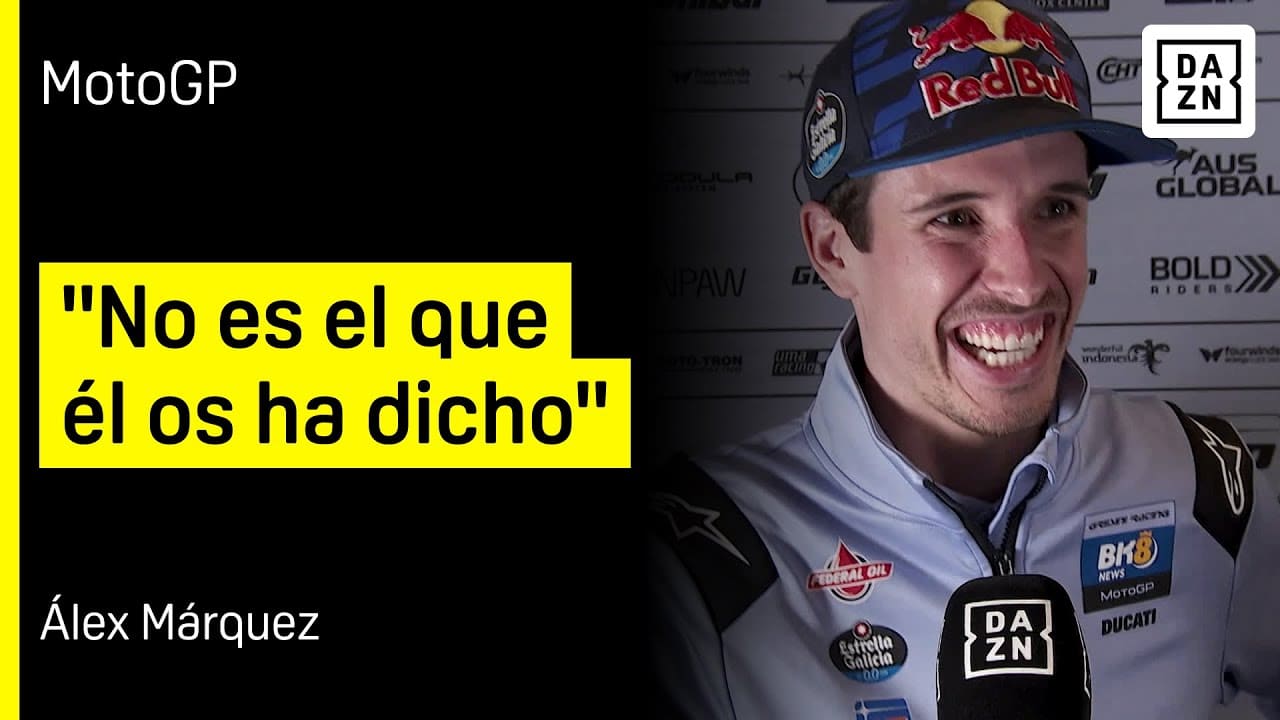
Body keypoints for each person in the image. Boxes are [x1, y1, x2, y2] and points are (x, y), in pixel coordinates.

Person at [645, 1, 1280, 719]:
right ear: (833, 251)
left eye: (1056, 209)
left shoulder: (1207, 485)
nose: (1025, 282)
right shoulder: (702, 560)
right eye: (955, 218)